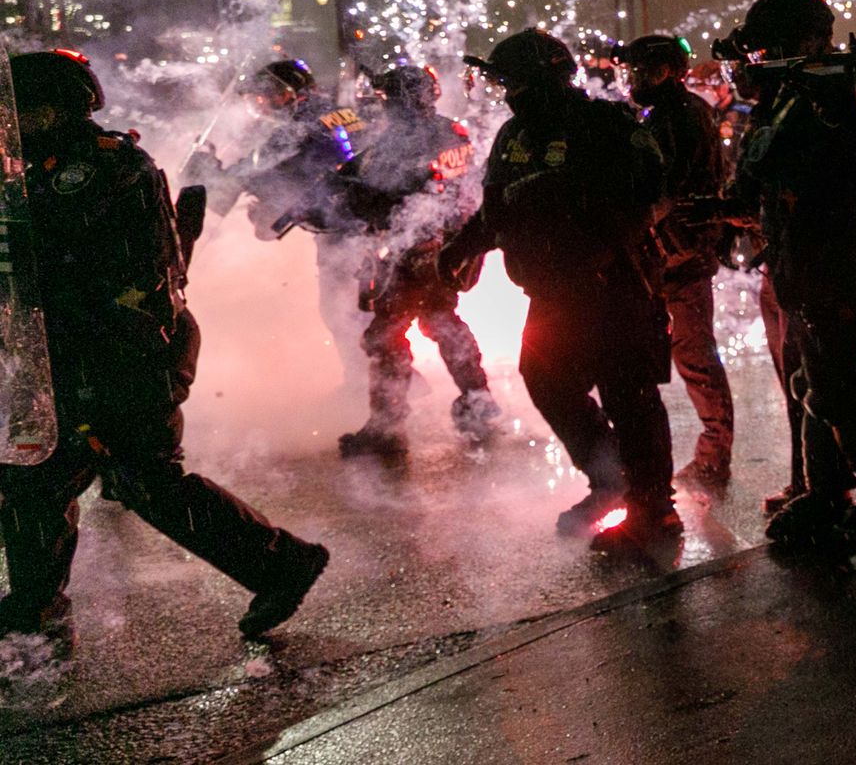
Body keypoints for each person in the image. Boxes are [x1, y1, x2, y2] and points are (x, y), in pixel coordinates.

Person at [0, 49, 329, 650]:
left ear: (54, 109)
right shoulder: (33, 167)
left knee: (147, 480)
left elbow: (100, 266)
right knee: (33, 480)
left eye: (22, 107)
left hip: (122, 348)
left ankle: (280, 564)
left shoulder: (104, 167)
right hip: (64, 352)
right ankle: (34, 606)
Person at [438, 30, 679, 551]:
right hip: (549, 293)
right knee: (545, 381)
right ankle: (610, 480)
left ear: (544, 80)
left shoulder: (605, 124)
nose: (507, 94)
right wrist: (464, 246)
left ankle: (654, 507)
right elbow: (495, 207)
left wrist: (597, 230)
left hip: (612, 286)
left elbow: (652, 196)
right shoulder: (513, 136)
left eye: (515, 83)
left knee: (629, 395)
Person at [721, 0, 856, 547]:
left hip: (836, 261)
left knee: (836, 389)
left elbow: (843, 165)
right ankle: (826, 490)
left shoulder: (833, 95)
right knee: (813, 378)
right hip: (806, 261)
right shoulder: (796, 94)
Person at [336, 63, 501, 459]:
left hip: (417, 247)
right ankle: (477, 401)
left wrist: (349, 190)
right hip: (446, 243)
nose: (385, 106)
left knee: (387, 334)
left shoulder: (408, 139)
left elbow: (385, 192)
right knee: (441, 322)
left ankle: (387, 424)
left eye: (390, 98)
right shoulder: (451, 130)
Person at [186, 58, 371, 388]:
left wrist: (205, 167)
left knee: (341, 310)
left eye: (267, 95)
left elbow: (245, 175)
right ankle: (388, 379)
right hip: (370, 221)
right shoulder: (341, 112)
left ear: (289, 93)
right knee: (366, 307)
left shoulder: (299, 127)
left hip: (344, 228)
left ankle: (373, 383)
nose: (262, 105)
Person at [616, 34, 735, 489]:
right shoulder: (664, 114)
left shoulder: (681, 116)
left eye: (641, 70)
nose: (633, 79)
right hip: (666, 255)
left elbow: (666, 191)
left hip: (681, 256)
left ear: (667, 70)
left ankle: (714, 454)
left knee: (695, 358)